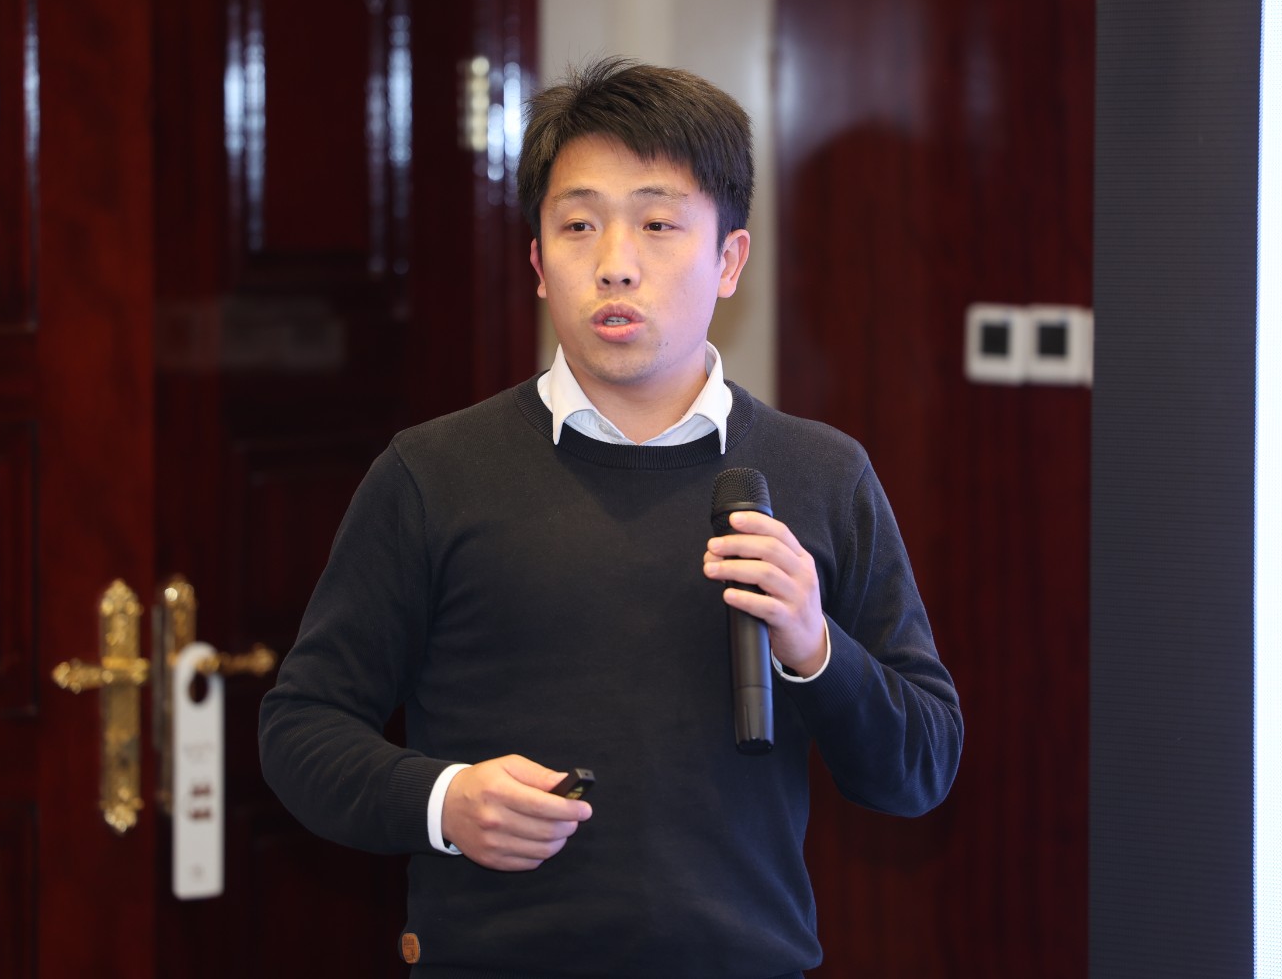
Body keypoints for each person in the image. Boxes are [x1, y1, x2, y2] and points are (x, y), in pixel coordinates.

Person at [258, 57, 962, 978]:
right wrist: (442, 801)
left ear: (729, 261)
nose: (615, 263)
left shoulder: (821, 474)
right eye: (579, 225)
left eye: (658, 224)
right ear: (539, 263)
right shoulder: (433, 473)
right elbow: (301, 729)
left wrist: (814, 646)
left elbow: (920, 768)